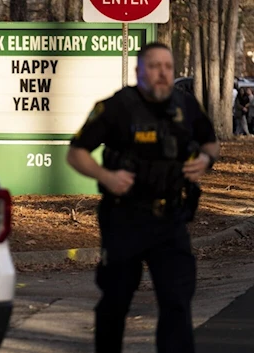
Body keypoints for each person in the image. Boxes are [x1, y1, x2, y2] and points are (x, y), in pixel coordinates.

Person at [66, 42, 220, 353]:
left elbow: (211, 143)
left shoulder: (186, 105)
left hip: (171, 220)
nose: (162, 73)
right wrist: (106, 176)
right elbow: (76, 153)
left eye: (167, 67)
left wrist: (205, 160)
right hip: (125, 219)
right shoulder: (116, 107)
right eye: (154, 66)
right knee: (116, 300)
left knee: (177, 301)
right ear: (139, 71)